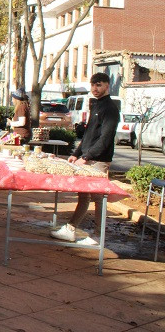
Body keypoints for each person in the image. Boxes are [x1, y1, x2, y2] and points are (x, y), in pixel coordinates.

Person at [51, 72, 120, 244]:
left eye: (99, 85)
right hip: (87, 159)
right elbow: (89, 134)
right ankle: (70, 229)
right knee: (83, 196)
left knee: (98, 198)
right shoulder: (96, 106)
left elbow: (105, 138)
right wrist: (76, 154)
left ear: (107, 86)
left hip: (99, 160)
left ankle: (97, 236)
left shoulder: (110, 109)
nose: (95, 88)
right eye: (93, 85)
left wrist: (88, 156)